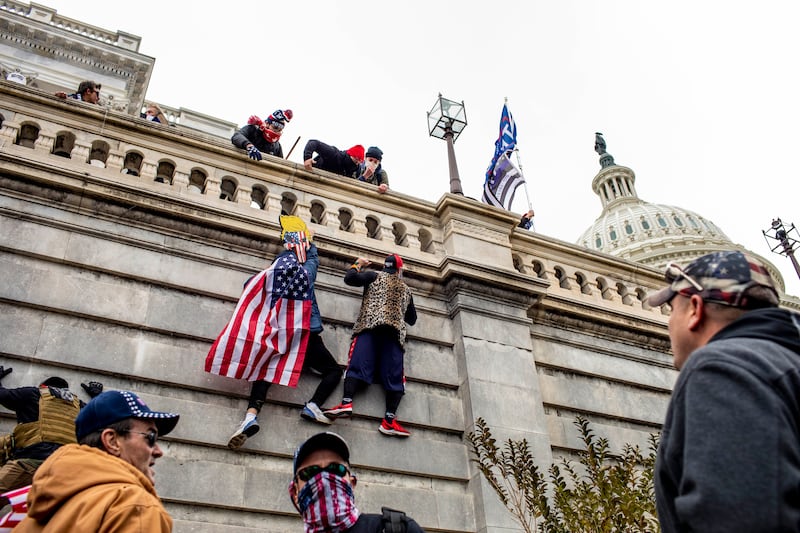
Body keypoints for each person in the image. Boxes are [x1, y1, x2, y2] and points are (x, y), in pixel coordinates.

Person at [646, 250, 800, 533]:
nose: (669, 323)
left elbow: (740, 516)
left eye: (671, 310)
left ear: (695, 309)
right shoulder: (787, 363)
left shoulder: (721, 367)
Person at [207, 216, 343, 449]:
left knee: (266, 370)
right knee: (333, 371)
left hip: (277, 332)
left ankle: (251, 415)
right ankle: (313, 405)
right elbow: (312, 260)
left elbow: (251, 283)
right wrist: (309, 241)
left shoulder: (272, 271)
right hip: (303, 333)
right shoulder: (305, 270)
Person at [14, 390, 179, 532]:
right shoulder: (134, 507)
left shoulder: (32, 517)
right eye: (151, 437)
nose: (158, 451)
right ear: (112, 441)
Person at [325, 254, 417, 438]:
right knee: (396, 378)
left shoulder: (373, 276)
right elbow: (412, 319)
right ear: (399, 270)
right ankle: (389, 420)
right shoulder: (406, 289)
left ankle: (347, 402)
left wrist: (358, 264)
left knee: (357, 365)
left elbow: (349, 279)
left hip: (369, 326)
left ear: (385, 267)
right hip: (393, 334)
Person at [0, 367, 103, 503]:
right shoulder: (79, 406)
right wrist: (97, 397)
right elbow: (102, 419)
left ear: (43, 386)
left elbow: (2, 395)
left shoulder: (33, 393)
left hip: (29, 464)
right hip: (64, 473)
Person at [289, 432, 425, 533]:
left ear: (352, 483)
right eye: (310, 472)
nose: (324, 479)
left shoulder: (399, 529)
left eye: (336, 469)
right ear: (295, 491)